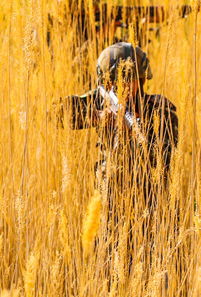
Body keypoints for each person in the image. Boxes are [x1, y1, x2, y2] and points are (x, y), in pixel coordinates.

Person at [52, 42, 179, 259]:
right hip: (109, 208)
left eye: (129, 80)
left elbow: (165, 158)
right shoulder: (102, 99)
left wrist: (139, 130)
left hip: (150, 211)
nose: (123, 87)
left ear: (140, 80)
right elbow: (55, 113)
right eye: (115, 82)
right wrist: (98, 117)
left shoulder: (161, 110)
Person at [47, 0, 193, 86]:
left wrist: (137, 33)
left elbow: (123, 60)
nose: (97, 9)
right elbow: (69, 69)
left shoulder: (86, 27)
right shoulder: (49, 27)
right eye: (92, 7)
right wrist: (100, 38)